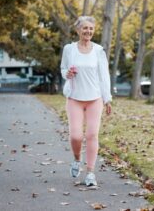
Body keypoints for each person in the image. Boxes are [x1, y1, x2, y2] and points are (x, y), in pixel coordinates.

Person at [60, 16, 112, 187]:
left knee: (91, 135)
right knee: (76, 135)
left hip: (94, 98)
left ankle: (90, 173)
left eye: (91, 28)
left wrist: (107, 99)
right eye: (85, 28)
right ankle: (76, 159)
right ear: (78, 30)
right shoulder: (69, 49)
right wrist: (67, 74)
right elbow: (63, 69)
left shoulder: (98, 51)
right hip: (75, 97)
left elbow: (104, 76)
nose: (88, 31)